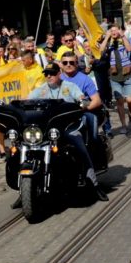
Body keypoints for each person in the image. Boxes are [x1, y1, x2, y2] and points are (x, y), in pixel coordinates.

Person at [27, 64, 107, 202]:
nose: (49, 76)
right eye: (46, 74)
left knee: (81, 147)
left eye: (52, 73)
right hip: (49, 130)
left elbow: (81, 97)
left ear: (59, 74)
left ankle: (94, 184)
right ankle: (25, 191)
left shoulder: (70, 87)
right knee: (27, 146)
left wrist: (83, 102)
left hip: (69, 127)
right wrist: (15, 104)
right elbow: (27, 100)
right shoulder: (41, 90)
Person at [100, 26, 131, 137]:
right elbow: (100, 50)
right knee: (120, 101)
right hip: (115, 77)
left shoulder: (123, 40)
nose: (114, 32)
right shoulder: (108, 43)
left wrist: (123, 36)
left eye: (116, 30)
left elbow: (129, 49)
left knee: (130, 99)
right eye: (111, 30)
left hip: (127, 75)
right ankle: (123, 125)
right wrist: (107, 37)